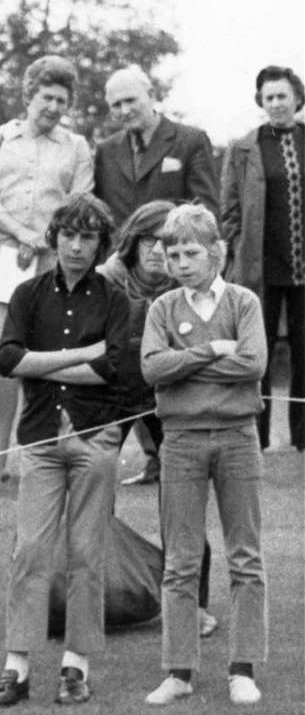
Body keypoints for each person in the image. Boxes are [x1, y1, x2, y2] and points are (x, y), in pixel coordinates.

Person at [0, 194, 129, 709]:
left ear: (100, 244)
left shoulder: (113, 299)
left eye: (88, 237)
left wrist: (39, 363)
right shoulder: (27, 294)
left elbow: (110, 369)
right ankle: (16, 669)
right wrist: (77, 354)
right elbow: (5, 359)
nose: (76, 245)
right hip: (41, 440)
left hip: (94, 439)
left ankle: (75, 669)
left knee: (87, 556)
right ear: (55, 237)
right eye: (68, 234)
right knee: (30, 552)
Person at [141, 204, 269, 707]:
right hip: (182, 441)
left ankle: (242, 668)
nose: (181, 262)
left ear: (216, 251)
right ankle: (179, 672)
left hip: (238, 437)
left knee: (246, 556)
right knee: (181, 561)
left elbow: (254, 362)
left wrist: (187, 369)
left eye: (191, 252)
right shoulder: (162, 309)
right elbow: (152, 369)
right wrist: (212, 351)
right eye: (173, 253)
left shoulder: (244, 302)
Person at [0, 55, 93, 486]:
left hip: (57, 259)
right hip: (4, 255)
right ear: (29, 95)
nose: (54, 106)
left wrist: (50, 238)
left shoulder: (76, 147)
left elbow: (81, 202)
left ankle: (47, 454)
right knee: (2, 358)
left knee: (55, 356)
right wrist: (21, 233)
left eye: (62, 99)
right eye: (46, 96)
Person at [100, 200, 219, 639]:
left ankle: (195, 606)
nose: (156, 252)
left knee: (182, 497)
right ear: (133, 241)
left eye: (166, 244)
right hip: (109, 395)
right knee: (92, 495)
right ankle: (94, 599)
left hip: (166, 395)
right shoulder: (105, 280)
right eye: (148, 240)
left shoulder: (191, 281)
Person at [220, 65, 305, 452]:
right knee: (259, 352)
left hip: (303, 268)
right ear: (261, 102)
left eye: (282, 96)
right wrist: (236, 254)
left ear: (297, 98)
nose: (275, 103)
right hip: (260, 269)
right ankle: (258, 438)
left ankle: (303, 439)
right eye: (268, 97)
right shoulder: (244, 147)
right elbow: (230, 211)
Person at [93, 66, 217, 226]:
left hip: (170, 248)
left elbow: (205, 212)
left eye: (130, 100)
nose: (124, 110)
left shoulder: (191, 141)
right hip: (119, 250)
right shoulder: (105, 151)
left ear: (151, 95)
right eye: (116, 105)